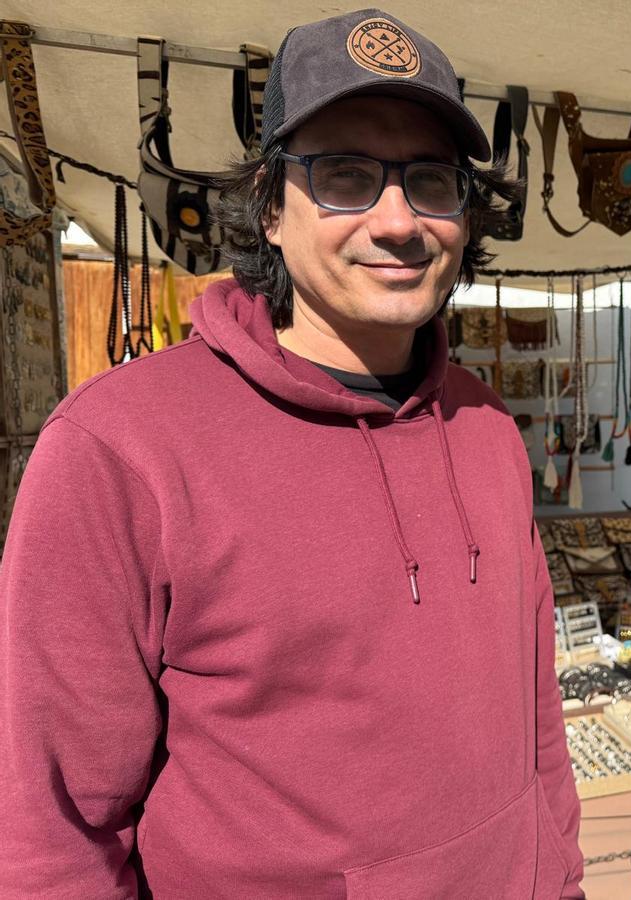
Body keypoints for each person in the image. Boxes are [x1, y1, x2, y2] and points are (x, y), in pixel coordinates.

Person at [0, 9, 585, 898]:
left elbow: (536, 729)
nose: (399, 222)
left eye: (431, 181)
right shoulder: (120, 451)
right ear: (271, 208)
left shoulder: (488, 429)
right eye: (346, 175)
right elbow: (52, 830)